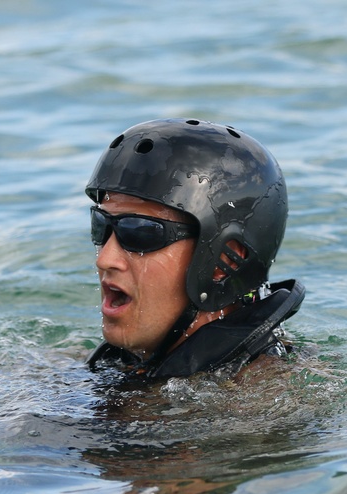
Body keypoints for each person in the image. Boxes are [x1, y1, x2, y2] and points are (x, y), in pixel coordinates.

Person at [85, 118, 305, 379]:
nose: (105, 259)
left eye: (140, 232)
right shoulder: (127, 361)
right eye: (101, 225)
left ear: (224, 262)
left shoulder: (259, 403)